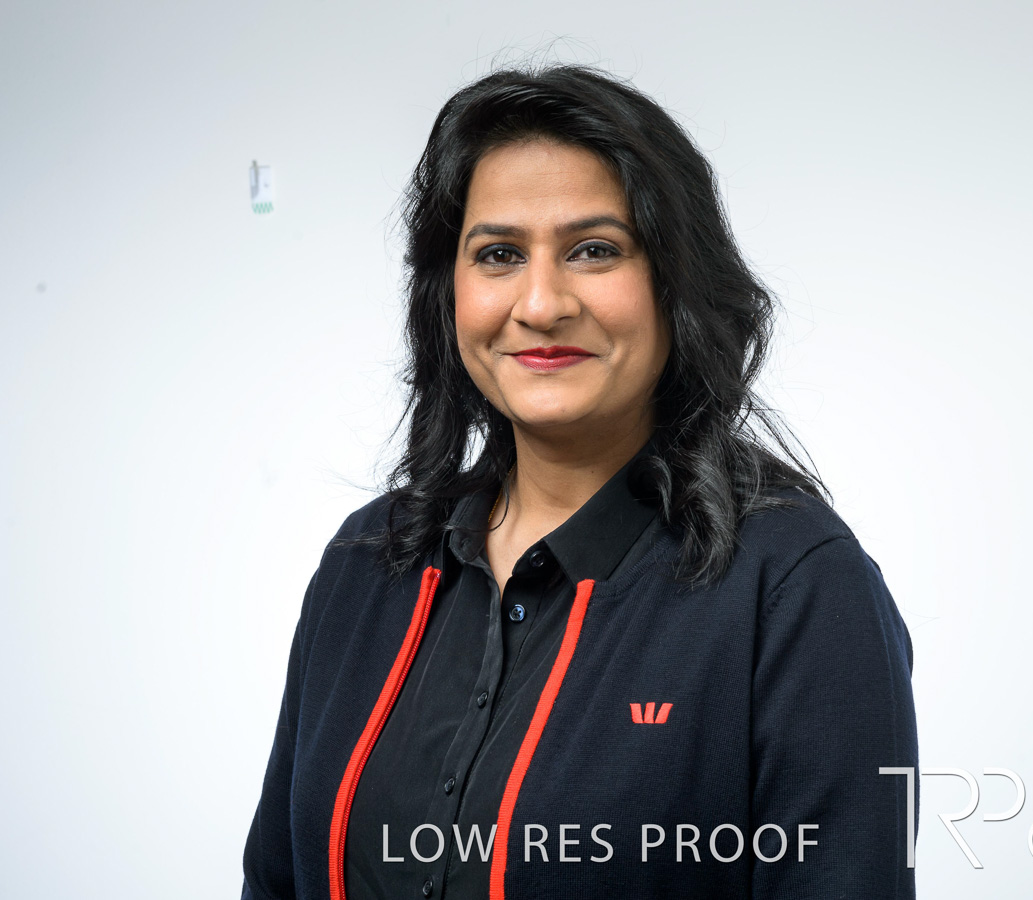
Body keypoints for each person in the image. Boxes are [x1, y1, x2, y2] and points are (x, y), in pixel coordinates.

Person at [241, 65, 918, 900]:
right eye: (497, 255)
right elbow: (274, 880)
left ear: (675, 280)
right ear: (448, 295)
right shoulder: (364, 563)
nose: (540, 303)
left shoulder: (794, 586)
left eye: (594, 250)